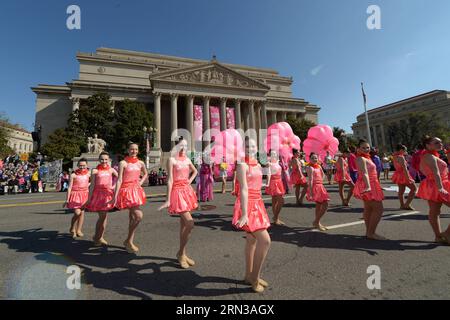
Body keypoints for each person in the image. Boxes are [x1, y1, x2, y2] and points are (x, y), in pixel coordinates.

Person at [233, 137, 271, 293]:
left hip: (258, 203)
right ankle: (255, 278)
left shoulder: (258, 164)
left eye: (253, 146)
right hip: (248, 205)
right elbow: (243, 188)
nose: (250, 148)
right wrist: (244, 213)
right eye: (247, 146)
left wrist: (265, 181)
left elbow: (256, 184)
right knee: (265, 241)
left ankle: (248, 275)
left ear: (257, 148)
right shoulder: (242, 164)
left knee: (251, 241)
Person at [159, 137, 199, 268]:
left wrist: (189, 180)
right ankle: (180, 253)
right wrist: (168, 198)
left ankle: (183, 254)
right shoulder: (171, 160)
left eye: (186, 146)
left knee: (184, 226)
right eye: (181, 146)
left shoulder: (187, 159)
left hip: (187, 191)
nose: (184, 149)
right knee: (190, 223)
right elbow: (170, 180)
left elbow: (195, 171)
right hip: (177, 193)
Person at [114, 142, 148, 253]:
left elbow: (146, 174)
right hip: (126, 191)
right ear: (128, 150)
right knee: (138, 215)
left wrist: (140, 183)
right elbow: (119, 180)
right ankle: (128, 240)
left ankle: (129, 242)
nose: (134, 151)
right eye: (132, 149)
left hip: (136, 190)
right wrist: (115, 195)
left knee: (132, 217)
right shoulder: (123, 163)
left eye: (136, 149)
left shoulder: (140, 162)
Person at [416, 136, 450, 244]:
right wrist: (440, 187)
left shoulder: (432, 155)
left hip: (436, 184)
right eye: (436, 143)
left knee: (434, 211)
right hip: (438, 185)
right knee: (434, 211)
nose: (440, 144)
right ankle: (445, 234)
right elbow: (436, 173)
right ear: (428, 145)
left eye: (440, 142)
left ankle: (439, 236)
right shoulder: (429, 156)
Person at [353, 139, 386, 240]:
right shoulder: (361, 159)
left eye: (367, 147)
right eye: (363, 147)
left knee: (368, 208)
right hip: (369, 184)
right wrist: (368, 186)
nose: (366, 149)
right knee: (378, 209)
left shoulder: (367, 158)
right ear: (358, 149)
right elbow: (364, 173)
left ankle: (369, 232)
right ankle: (371, 233)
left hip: (372, 184)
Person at [86, 152, 118, 247]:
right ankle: (96, 236)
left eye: (106, 159)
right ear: (99, 160)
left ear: (108, 160)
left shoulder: (111, 170)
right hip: (98, 195)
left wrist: (113, 186)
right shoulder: (95, 170)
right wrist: (89, 198)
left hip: (108, 194)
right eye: (102, 159)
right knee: (102, 216)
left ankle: (100, 237)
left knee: (104, 217)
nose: (104, 161)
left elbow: (119, 178)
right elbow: (92, 185)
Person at [64, 158, 90, 239]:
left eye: (84, 165)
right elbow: (69, 187)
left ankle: (78, 230)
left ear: (87, 165)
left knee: (82, 213)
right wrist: (67, 199)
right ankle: (72, 228)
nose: (82, 167)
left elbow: (93, 181)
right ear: (78, 165)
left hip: (85, 194)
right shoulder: (73, 175)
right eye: (80, 165)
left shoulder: (88, 174)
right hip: (75, 194)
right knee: (77, 212)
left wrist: (88, 185)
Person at [306, 152, 330, 231]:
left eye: (315, 158)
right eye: (312, 158)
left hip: (320, 186)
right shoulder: (310, 168)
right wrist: (311, 192)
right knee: (324, 203)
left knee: (320, 205)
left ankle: (317, 222)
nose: (314, 159)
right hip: (315, 187)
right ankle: (316, 222)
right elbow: (310, 180)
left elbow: (323, 175)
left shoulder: (319, 166)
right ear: (309, 159)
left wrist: (320, 181)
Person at [391, 144, 417, 210]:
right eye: (404, 150)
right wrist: (408, 178)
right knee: (414, 189)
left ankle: (402, 205)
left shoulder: (394, 156)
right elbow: (404, 168)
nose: (405, 152)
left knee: (401, 190)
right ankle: (407, 204)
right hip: (403, 174)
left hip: (398, 173)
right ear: (401, 150)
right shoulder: (400, 157)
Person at [265, 150, 286, 226]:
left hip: (279, 181)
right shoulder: (269, 163)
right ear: (269, 155)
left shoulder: (278, 162)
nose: (274, 155)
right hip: (274, 182)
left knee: (275, 201)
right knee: (281, 201)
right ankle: (275, 217)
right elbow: (268, 173)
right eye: (272, 154)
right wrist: (267, 183)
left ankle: (276, 218)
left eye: (275, 154)